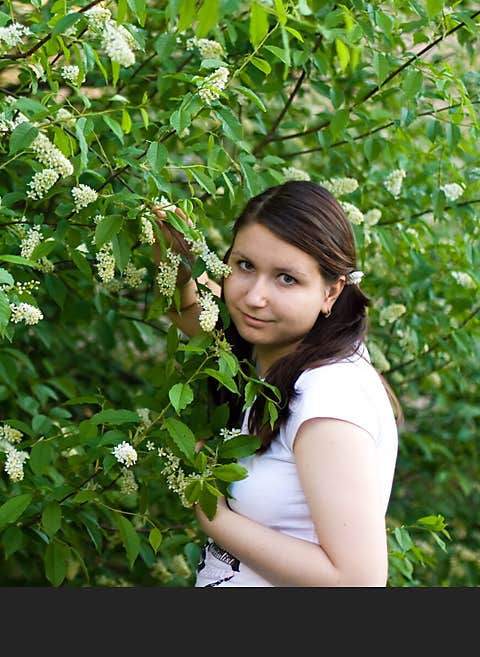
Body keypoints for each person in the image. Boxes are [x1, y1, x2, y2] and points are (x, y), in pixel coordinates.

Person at [155, 180, 401, 586]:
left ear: (331, 291)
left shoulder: (329, 398)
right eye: (245, 265)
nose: (254, 297)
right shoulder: (279, 351)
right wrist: (177, 259)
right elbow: (188, 307)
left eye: (287, 279)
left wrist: (212, 511)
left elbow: (357, 580)